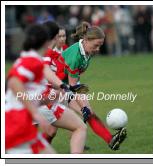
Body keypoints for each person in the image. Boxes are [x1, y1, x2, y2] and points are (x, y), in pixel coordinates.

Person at [57, 21, 127, 150]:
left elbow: (73, 81)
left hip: (65, 85)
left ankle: (110, 140)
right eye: (96, 45)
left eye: (100, 45)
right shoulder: (76, 56)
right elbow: (72, 86)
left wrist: (84, 105)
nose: (98, 49)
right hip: (53, 87)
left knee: (88, 113)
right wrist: (83, 105)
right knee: (49, 130)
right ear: (86, 40)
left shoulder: (86, 51)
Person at [37, 21, 87, 154]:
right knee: (79, 127)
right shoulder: (46, 53)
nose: (62, 38)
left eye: (63, 35)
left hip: (42, 101)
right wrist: (64, 87)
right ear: (54, 36)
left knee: (52, 131)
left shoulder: (50, 52)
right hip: (42, 102)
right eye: (59, 35)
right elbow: (46, 72)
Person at [5, 24, 57, 154]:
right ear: (46, 42)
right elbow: (13, 82)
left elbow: (25, 92)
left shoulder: (30, 58)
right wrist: (36, 113)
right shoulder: (33, 60)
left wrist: (47, 99)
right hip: (16, 124)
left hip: (22, 124)